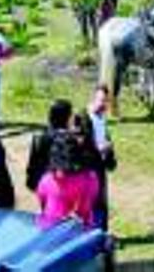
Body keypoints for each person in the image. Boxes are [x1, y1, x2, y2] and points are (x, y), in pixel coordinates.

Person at [35, 111, 100, 230]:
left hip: (49, 231)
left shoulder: (47, 180)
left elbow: (42, 199)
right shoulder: (90, 178)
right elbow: (89, 203)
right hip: (80, 232)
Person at [82, 85, 117, 231]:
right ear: (93, 98)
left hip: (100, 165)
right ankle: (90, 233)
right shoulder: (83, 118)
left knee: (101, 202)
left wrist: (109, 152)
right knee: (91, 202)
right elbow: (81, 144)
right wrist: (99, 149)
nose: (103, 104)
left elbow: (103, 138)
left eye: (106, 101)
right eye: (101, 100)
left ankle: (101, 233)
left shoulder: (101, 117)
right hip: (88, 167)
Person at [26, 99, 73, 192]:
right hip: (58, 186)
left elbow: (32, 165)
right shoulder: (67, 139)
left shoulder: (38, 137)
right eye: (70, 115)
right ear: (64, 117)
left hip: (41, 183)